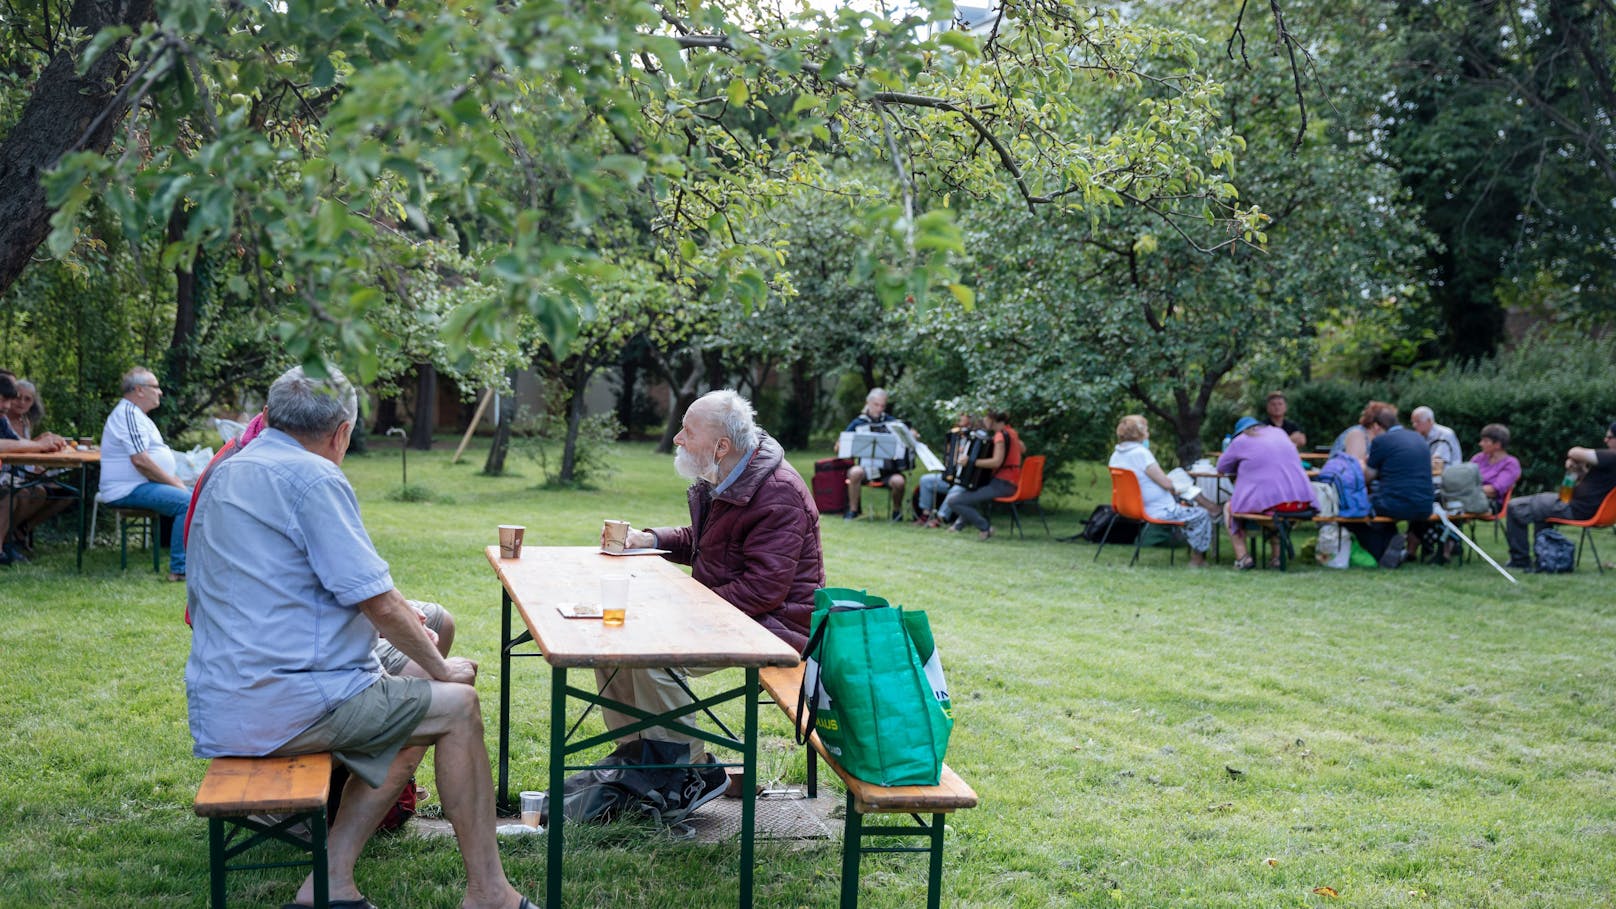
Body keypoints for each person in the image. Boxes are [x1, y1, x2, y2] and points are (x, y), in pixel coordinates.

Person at [185, 365, 536, 909]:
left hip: (227, 695)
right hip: (286, 703)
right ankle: (489, 894)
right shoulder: (314, 479)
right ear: (342, 432)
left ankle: (330, 883)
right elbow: (376, 599)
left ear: (272, 417)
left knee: (415, 697)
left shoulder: (227, 468)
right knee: (458, 705)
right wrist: (443, 668)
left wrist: (418, 653)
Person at [610, 390, 825, 815]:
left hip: (775, 626)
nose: (677, 439)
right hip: (737, 614)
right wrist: (648, 540)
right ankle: (642, 761)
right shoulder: (729, 475)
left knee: (654, 655)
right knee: (613, 646)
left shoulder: (776, 492)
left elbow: (763, 589)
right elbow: (707, 544)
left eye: (687, 432)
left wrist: (684, 612)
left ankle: (687, 774)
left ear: (721, 446)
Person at [98, 367, 191, 581]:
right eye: (155, 387)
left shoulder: (138, 415)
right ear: (139, 390)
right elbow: (141, 461)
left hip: (142, 484)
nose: (160, 392)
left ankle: (198, 562)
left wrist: (176, 481)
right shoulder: (128, 413)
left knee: (200, 495)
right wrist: (175, 485)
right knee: (186, 502)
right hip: (127, 489)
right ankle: (180, 569)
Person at [1503, 422, 1616, 570]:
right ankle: (1545, 558)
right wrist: (1577, 469)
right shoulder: (1609, 462)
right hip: (1583, 506)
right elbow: (1592, 485)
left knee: (1515, 506)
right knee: (1541, 511)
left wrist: (1577, 457)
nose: (1605, 440)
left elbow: (1574, 452)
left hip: (1577, 509)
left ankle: (1520, 560)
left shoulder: (1612, 457)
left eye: (1609, 437)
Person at [1108, 414, 1218, 566]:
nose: (1148, 433)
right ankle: (1197, 559)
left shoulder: (1116, 455)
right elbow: (1166, 484)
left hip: (1127, 506)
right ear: (1138, 433)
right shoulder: (1141, 454)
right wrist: (1175, 487)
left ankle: (1210, 506)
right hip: (1158, 509)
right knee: (1201, 514)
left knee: (1179, 479)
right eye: (1146, 429)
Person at [1217, 416, 1320, 570]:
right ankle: (1276, 558)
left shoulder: (1241, 440)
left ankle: (1243, 558)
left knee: (1230, 508)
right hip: (1302, 504)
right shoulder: (1280, 433)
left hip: (1275, 508)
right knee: (1273, 506)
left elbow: (1221, 467)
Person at [1, 373, 73, 564]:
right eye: (9, 399)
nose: (10, 405)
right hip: (9, 474)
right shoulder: (4, 418)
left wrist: (41, 442)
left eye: (27, 399)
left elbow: (18, 444)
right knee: (17, 493)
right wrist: (39, 445)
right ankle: (6, 543)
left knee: (63, 492)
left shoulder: (11, 421)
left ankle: (13, 537)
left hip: (12, 474)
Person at [1349, 407, 1433, 568]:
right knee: (1383, 506)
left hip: (1395, 504)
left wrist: (1362, 464)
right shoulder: (1418, 437)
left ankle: (1382, 549)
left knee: (1354, 511)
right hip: (1425, 505)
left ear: (1376, 427)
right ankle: (1394, 545)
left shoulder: (1382, 441)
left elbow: (1368, 476)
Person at [941, 410, 1026, 541]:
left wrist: (971, 461)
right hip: (1011, 482)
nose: (984, 421)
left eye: (986, 418)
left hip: (1002, 484)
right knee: (972, 490)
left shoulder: (999, 436)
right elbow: (1023, 448)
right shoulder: (1011, 432)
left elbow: (996, 462)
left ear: (992, 419)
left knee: (954, 501)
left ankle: (985, 527)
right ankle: (959, 525)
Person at [842, 388, 908, 521]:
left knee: (899, 481)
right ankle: (853, 510)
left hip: (887, 471)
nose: (879, 408)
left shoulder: (891, 422)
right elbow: (841, 444)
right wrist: (843, 444)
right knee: (855, 472)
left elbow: (907, 436)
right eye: (876, 404)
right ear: (868, 403)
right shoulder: (858, 422)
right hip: (865, 470)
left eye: (882, 405)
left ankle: (896, 511)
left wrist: (911, 434)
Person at [913, 412, 974, 528]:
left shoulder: (974, 438)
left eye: (963, 415)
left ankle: (940, 518)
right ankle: (925, 515)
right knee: (925, 480)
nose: (959, 417)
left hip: (965, 481)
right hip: (951, 477)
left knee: (957, 488)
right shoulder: (956, 434)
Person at [1469, 423, 1521, 510]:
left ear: (1497, 445)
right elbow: (1464, 478)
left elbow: (1494, 491)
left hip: (1492, 502)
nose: (1480, 444)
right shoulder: (1478, 458)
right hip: (1469, 497)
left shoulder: (1511, 464)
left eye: (1485, 441)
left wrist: (1465, 491)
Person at [1329, 400, 1394, 461]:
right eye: (1388, 425)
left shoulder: (1372, 440)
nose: (1390, 430)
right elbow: (1355, 468)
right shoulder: (1357, 435)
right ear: (1376, 426)